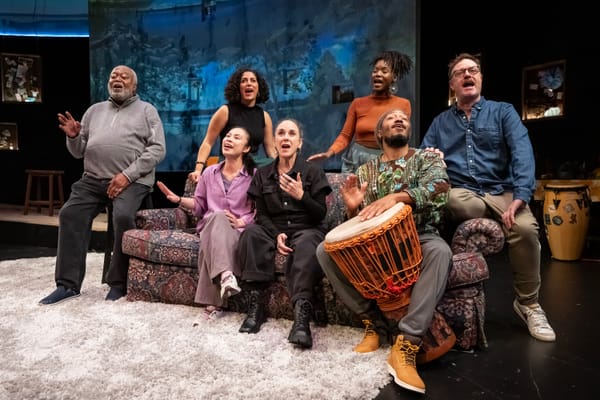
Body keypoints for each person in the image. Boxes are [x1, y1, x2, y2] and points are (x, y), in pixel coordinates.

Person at [420, 52, 556, 343]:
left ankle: (529, 304)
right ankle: (492, 216)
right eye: (461, 73)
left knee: (526, 230)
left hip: (502, 191)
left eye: (474, 70)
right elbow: (423, 159)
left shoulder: (502, 112)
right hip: (464, 192)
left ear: (480, 78)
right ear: (452, 84)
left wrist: (520, 197)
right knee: (455, 201)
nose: (468, 75)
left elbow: (522, 153)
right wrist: (433, 160)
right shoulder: (440, 123)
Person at [316, 109, 451, 394]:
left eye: (403, 117)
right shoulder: (365, 171)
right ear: (379, 133)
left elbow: (440, 190)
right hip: (379, 245)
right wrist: (353, 208)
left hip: (419, 235)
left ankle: (407, 344)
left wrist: (397, 197)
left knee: (440, 252)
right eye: (391, 118)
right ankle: (373, 325)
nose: (399, 119)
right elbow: (357, 228)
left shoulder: (425, 158)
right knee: (325, 251)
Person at [39, 65, 166, 305]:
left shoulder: (147, 111)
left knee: (122, 216)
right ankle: (67, 285)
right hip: (92, 179)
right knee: (69, 213)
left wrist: (127, 176)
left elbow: (158, 149)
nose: (117, 79)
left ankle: (118, 282)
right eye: (113, 76)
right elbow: (78, 153)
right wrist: (74, 136)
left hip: (132, 181)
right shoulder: (94, 111)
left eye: (124, 76)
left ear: (134, 86)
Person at [237, 118, 332, 349]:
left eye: (291, 134)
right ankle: (256, 307)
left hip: (306, 229)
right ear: (275, 141)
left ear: (299, 143)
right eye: (281, 133)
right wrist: (276, 234)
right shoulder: (263, 174)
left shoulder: (313, 173)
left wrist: (302, 196)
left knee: (309, 243)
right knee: (251, 234)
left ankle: (301, 320)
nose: (286, 137)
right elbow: (261, 215)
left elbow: (320, 215)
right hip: (274, 229)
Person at [156, 126, 256, 319]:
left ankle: (215, 300)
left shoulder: (254, 175)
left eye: (236, 137)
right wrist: (178, 199)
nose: (229, 139)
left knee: (212, 231)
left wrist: (242, 221)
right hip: (210, 225)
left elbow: (259, 210)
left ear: (246, 148)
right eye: (227, 136)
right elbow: (199, 205)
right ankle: (226, 275)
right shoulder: (210, 173)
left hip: (237, 230)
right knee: (216, 217)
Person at [307, 50, 413, 172]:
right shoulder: (358, 103)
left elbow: (400, 138)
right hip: (356, 161)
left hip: (387, 161)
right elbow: (345, 136)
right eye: (375, 71)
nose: (377, 74)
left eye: (384, 71)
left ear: (394, 77)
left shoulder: (403, 104)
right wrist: (329, 153)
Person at [189, 67, 276, 183]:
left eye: (253, 80)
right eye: (244, 81)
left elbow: (271, 150)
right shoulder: (225, 111)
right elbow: (208, 142)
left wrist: (281, 169)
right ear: (238, 88)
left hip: (255, 165)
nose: (248, 83)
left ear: (258, 88)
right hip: (230, 163)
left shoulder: (264, 116)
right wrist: (198, 170)